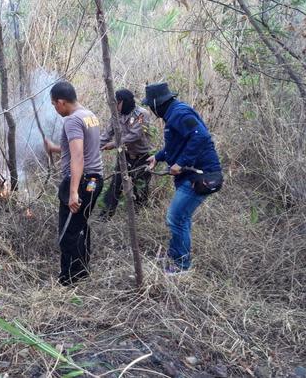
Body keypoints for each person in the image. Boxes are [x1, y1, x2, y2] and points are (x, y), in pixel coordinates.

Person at [143, 83, 222, 275]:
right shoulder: (174, 114)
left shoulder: (179, 114)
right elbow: (176, 145)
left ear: (157, 104)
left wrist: (182, 162)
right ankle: (177, 255)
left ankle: (181, 266)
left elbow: (200, 136)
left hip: (202, 176)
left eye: (151, 107)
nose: (151, 111)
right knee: (181, 218)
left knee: (175, 217)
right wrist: (158, 157)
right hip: (192, 175)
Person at [44, 81, 104, 286]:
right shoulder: (90, 116)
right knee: (80, 226)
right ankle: (82, 273)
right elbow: (80, 148)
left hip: (80, 182)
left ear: (61, 102)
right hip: (95, 181)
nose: (55, 109)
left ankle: (67, 280)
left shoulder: (72, 120)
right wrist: (54, 148)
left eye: (54, 105)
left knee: (67, 233)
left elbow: (78, 157)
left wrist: (72, 193)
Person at [99, 89, 153, 220]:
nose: (114, 106)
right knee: (115, 185)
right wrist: (94, 147)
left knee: (140, 189)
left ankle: (140, 218)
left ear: (123, 102)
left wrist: (114, 144)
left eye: (116, 103)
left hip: (143, 158)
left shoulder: (142, 114)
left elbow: (135, 135)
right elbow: (106, 135)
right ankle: (105, 215)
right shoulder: (116, 115)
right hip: (124, 157)